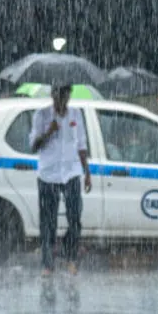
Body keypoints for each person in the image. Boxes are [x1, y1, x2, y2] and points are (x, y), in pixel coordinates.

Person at [29, 84, 91, 275]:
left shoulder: (76, 115)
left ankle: (70, 257)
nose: (62, 99)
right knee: (48, 221)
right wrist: (49, 131)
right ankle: (48, 264)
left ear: (69, 95)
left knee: (75, 218)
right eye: (58, 95)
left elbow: (81, 144)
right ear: (52, 95)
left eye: (65, 95)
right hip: (49, 174)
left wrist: (87, 172)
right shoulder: (42, 115)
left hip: (71, 172)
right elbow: (33, 146)